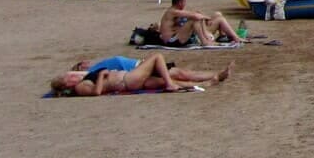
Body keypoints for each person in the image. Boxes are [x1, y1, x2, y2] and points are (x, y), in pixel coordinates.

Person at [50, 54, 232, 96]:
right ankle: (170, 84)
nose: (73, 76)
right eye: (69, 78)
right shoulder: (81, 87)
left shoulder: (82, 79)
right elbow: (97, 93)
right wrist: (102, 75)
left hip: (129, 78)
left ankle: (211, 80)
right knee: (157, 57)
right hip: (127, 80)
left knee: (170, 77)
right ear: (66, 85)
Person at [159, 0, 240, 46]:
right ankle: (205, 41)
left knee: (214, 15)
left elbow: (194, 13)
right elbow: (195, 16)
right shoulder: (172, 11)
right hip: (171, 40)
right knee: (195, 19)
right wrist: (207, 18)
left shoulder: (177, 11)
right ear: (180, 3)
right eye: (184, 2)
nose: (185, 4)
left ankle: (211, 39)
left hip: (178, 37)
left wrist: (202, 16)